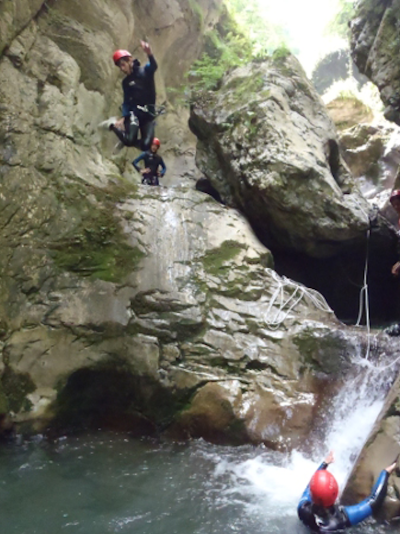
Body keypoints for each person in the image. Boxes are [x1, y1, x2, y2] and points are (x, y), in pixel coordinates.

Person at [297, 451, 397, 533]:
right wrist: (385, 473)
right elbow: (374, 501)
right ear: (335, 494)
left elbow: (310, 487)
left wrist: (324, 464)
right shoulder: (341, 520)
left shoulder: (302, 509)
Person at [102, 41, 158, 151]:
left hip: (148, 115)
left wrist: (149, 54)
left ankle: (125, 138)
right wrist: (123, 117)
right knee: (129, 140)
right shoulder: (126, 82)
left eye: (123, 65)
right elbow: (127, 101)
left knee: (147, 146)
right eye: (119, 67)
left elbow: (153, 66)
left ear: (130, 60)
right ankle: (112, 125)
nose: (122, 69)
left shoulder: (145, 72)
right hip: (134, 113)